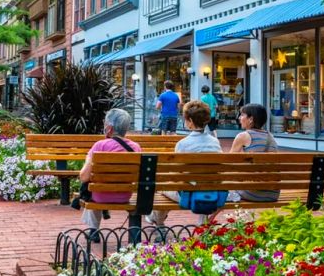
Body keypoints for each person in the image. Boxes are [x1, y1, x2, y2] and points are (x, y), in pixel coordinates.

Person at [146, 101, 222, 227]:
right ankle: (203, 222)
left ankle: (157, 221)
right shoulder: (215, 142)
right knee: (202, 181)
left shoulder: (183, 144)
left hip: (188, 196)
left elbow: (176, 173)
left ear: (190, 121)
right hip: (210, 193)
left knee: (162, 186)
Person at [79, 109, 141, 242]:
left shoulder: (100, 145)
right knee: (95, 187)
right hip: (124, 195)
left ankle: (93, 230)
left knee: (91, 189)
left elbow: (84, 176)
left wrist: (87, 160)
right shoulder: (136, 147)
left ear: (109, 128)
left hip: (100, 196)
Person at [229, 103, 279, 202]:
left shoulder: (243, 136)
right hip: (273, 193)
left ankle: (208, 217)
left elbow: (228, 161)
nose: (239, 118)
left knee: (222, 193)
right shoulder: (270, 136)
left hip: (252, 192)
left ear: (251, 119)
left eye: (242, 115)